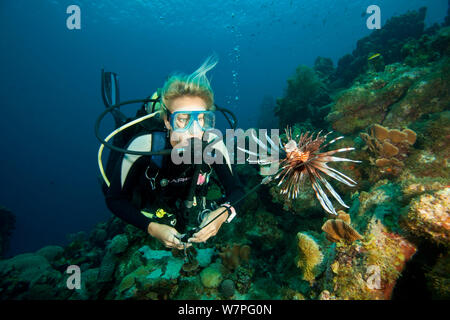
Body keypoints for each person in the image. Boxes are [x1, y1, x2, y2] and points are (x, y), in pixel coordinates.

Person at [105, 56, 245, 250]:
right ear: (168, 121)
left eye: (202, 119)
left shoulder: (213, 145)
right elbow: (115, 199)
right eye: (183, 119)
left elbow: (237, 190)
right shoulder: (144, 145)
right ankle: (118, 119)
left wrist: (223, 213)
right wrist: (152, 228)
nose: (194, 130)